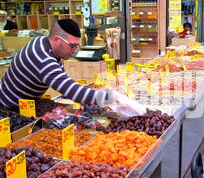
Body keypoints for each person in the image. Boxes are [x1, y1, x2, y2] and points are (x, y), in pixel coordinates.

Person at [0, 18, 141, 115]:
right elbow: (71, 91)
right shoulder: (42, 57)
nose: (75, 50)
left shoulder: (43, 43)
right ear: (56, 40)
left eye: (77, 46)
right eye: (72, 46)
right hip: (8, 109)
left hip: (27, 105)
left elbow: (64, 81)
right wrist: (113, 98)